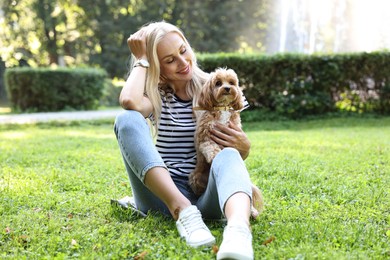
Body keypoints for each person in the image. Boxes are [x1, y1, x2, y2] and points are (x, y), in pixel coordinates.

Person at [114, 21, 256, 260]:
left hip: (206, 196)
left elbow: (231, 153)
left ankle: (238, 230)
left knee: (228, 154)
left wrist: (244, 148)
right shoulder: (156, 96)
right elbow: (129, 101)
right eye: (169, 60)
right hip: (163, 197)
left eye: (183, 50)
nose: (183, 62)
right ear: (157, 66)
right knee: (127, 119)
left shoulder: (213, 87)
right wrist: (141, 59)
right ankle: (183, 211)